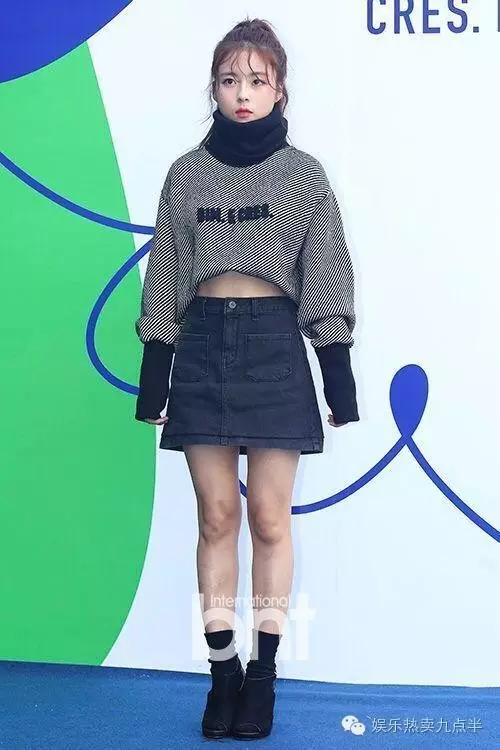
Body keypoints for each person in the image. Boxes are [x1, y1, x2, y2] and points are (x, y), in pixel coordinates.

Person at [134, 16, 359, 741]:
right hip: (202, 345)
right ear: (214, 87)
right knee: (215, 518)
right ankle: (222, 673)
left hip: (274, 347)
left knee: (267, 517)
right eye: (229, 79)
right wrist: (155, 375)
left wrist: (337, 377)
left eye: (257, 80)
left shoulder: (304, 176)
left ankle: (263, 677)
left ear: (280, 89)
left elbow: (326, 274)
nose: (242, 93)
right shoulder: (186, 174)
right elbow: (166, 274)